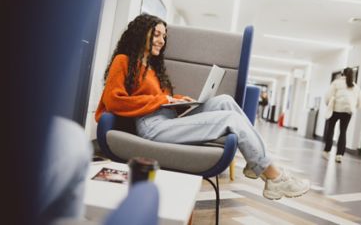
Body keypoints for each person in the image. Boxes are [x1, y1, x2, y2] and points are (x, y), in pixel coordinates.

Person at [95, 13, 310, 200]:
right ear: (141, 33)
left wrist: (179, 99)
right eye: (157, 34)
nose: (162, 40)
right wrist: (164, 101)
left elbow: (157, 98)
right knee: (231, 120)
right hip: (152, 127)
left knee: (224, 100)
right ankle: (273, 176)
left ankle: (257, 162)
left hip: (167, 118)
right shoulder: (123, 61)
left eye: (164, 35)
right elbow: (114, 101)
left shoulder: (150, 67)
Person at [322, 67, 361, 163]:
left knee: (330, 129)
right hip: (347, 111)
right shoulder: (355, 86)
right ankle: (339, 155)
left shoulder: (336, 83)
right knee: (343, 132)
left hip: (336, 109)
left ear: (342, 74)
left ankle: (326, 151)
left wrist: (328, 104)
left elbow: (328, 96)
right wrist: (354, 107)